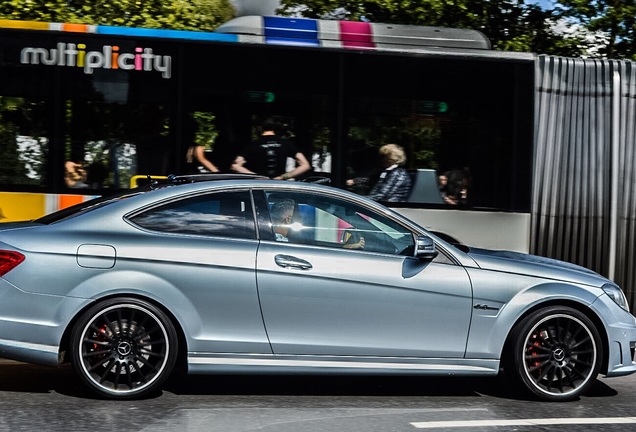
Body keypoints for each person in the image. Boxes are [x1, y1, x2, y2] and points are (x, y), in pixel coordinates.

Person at [231, 117, 310, 180]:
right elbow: (305, 165)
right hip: (278, 186)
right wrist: (283, 177)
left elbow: (235, 166)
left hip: (258, 186)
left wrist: (256, 176)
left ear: (259, 128)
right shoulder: (285, 143)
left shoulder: (254, 144)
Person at [347, 144, 412, 202]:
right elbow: (370, 180)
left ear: (390, 158)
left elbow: (381, 195)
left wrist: (356, 200)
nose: (380, 159)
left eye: (383, 156)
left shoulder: (397, 174)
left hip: (391, 207)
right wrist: (353, 181)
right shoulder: (387, 171)